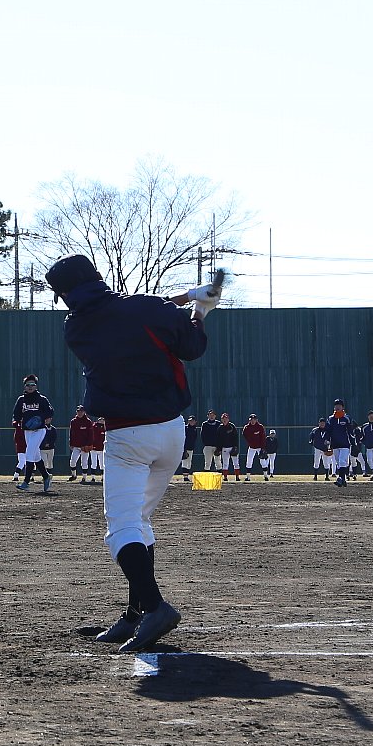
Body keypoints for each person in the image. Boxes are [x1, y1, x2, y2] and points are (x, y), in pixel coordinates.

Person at [44, 253, 217, 654]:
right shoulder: (146, 307)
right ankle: (136, 613)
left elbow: (127, 313)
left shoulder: (77, 329)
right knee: (138, 520)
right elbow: (188, 344)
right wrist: (200, 309)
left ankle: (155, 607)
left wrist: (184, 300)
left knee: (120, 527)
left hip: (127, 437)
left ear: (69, 294)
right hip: (173, 432)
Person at [13, 375, 54, 494]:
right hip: (27, 431)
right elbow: (16, 414)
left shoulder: (41, 399)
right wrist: (15, 422)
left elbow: (50, 411)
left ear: (36, 386)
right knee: (35, 456)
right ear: (24, 387)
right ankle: (46, 476)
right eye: (27, 385)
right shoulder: (21, 400)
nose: (30, 387)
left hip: (39, 430)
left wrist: (42, 418)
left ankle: (26, 482)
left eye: (32, 385)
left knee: (29, 454)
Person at [325, 399, 356, 487]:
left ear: (343, 407)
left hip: (345, 444)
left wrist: (354, 444)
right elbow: (328, 431)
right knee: (339, 462)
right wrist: (327, 441)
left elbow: (350, 432)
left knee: (342, 461)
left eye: (339, 405)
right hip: (335, 444)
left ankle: (340, 478)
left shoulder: (346, 418)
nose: (337, 407)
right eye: (336, 405)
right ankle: (343, 480)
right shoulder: (331, 419)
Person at [68, 405, 94, 483]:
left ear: (84, 412)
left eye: (81, 411)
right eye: (78, 411)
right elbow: (71, 433)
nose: (80, 413)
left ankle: (84, 477)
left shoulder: (88, 421)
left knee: (84, 462)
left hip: (85, 445)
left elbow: (90, 434)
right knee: (72, 461)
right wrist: (71, 443)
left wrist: (89, 444)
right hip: (76, 445)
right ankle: (74, 475)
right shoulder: (73, 421)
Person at [242, 414, 267, 481]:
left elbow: (263, 437)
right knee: (249, 461)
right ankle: (248, 477)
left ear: (256, 420)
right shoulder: (247, 427)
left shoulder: (260, 427)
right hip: (252, 447)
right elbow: (244, 434)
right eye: (251, 420)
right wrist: (250, 440)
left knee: (262, 461)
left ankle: (265, 476)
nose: (253, 421)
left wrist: (263, 448)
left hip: (259, 447)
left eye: (254, 420)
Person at [218, 413, 240, 482]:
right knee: (225, 463)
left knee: (236, 463)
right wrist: (219, 448)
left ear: (228, 419)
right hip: (224, 448)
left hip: (232, 447)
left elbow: (236, 437)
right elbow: (218, 439)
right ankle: (225, 477)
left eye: (226, 418)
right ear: (221, 420)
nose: (225, 420)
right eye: (223, 419)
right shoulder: (220, 428)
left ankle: (237, 477)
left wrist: (236, 447)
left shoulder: (232, 426)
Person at [179, 416, 199, 481]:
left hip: (191, 448)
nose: (191, 422)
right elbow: (183, 439)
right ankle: (185, 477)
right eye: (190, 421)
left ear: (195, 422)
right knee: (184, 461)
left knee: (189, 462)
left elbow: (194, 439)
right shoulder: (185, 428)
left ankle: (186, 476)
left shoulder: (195, 429)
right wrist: (184, 450)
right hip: (184, 448)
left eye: (193, 421)